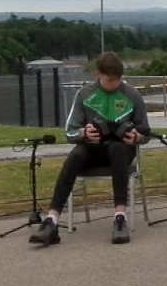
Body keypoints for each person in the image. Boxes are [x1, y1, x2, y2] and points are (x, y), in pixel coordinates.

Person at [29, 52, 150, 247]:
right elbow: (69, 134)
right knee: (76, 154)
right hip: (92, 149)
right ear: (97, 75)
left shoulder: (132, 95)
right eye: (110, 79)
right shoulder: (84, 94)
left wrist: (137, 136)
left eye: (118, 79)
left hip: (121, 151)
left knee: (118, 149)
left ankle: (120, 218)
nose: (114, 84)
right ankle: (51, 221)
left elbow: (146, 131)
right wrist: (84, 133)